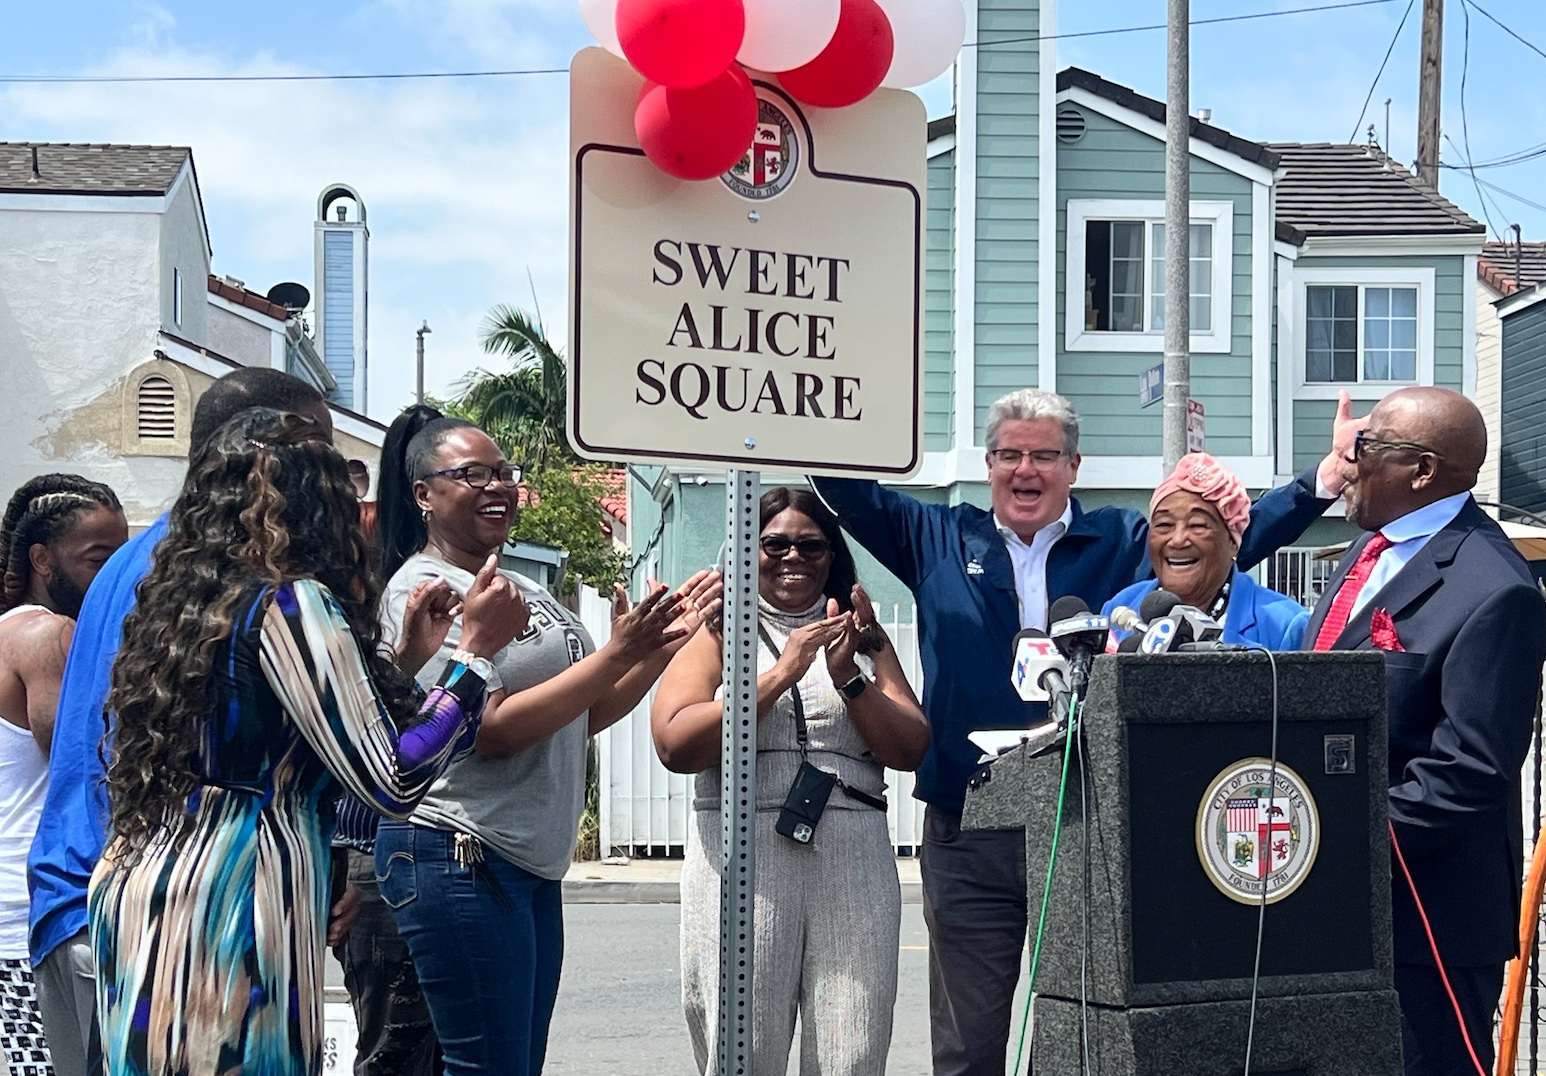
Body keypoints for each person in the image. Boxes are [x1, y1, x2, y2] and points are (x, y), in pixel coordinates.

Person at [810, 387, 1360, 1075]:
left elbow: (1228, 534)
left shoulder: (1127, 542)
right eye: (1010, 455)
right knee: (968, 1042)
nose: (1026, 470)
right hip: (968, 824)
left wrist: (1325, 479)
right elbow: (848, 493)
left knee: (1077, 1032)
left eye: (1044, 455)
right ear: (988, 464)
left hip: (1082, 824)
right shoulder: (939, 537)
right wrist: (797, 403)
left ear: (1075, 464)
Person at [88, 407, 528, 1076]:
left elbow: (283, 732)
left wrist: (406, 660)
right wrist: (474, 661)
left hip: (148, 878)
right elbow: (391, 779)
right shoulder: (291, 604)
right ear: (316, 503)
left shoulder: (188, 602)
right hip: (237, 890)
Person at [372, 407, 722, 1076]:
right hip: (459, 851)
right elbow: (493, 732)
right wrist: (617, 651)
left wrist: (653, 647)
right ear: (424, 494)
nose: (498, 486)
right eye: (472, 474)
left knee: (517, 1064)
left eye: (505, 472)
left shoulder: (522, 584)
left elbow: (579, 716)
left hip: (525, 862)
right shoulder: (426, 592)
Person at [27, 368, 354, 1076]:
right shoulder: (231, 575)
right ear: (266, 451)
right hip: (181, 914)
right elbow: (369, 767)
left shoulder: (149, 559)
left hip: (100, 893)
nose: (332, 474)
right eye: (318, 447)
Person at [1306, 386, 1546, 1076]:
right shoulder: (1367, 551)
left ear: (1423, 470)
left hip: (1428, 926)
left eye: (1367, 447)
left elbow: (1468, 771)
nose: (1347, 461)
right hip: (1337, 913)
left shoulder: (1493, 588)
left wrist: (1337, 843)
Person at [652, 487, 930, 1076]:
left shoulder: (860, 631)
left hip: (852, 853)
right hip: (741, 848)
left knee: (851, 1054)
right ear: (745, 551)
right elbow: (675, 742)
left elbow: (910, 747)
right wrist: (782, 674)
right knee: (742, 1050)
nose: (793, 557)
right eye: (774, 544)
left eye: (811, 545)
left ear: (833, 556)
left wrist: (849, 679)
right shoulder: (716, 631)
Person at [0, 475, 126, 1076]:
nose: (113, 575)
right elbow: (85, 764)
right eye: (98, 557)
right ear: (41, 559)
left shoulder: (6, 635)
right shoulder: (51, 635)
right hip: (33, 918)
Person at [332, 409, 443, 1076]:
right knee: (397, 1053)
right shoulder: (364, 577)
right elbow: (352, 723)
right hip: (380, 845)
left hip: (406, 848)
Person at [1102, 452, 1310, 650]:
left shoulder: (1285, 624)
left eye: (1198, 525)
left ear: (1233, 542)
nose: (1178, 540)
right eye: (1164, 524)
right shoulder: (1121, 608)